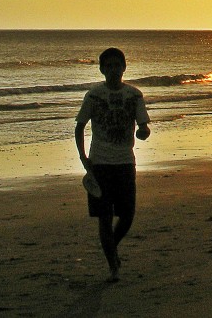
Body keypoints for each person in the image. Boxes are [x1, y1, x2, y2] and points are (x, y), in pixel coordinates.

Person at [75, 47, 151, 282]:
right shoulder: (94, 95)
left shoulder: (134, 95)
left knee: (127, 215)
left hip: (125, 163)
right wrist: (83, 158)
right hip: (99, 164)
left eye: (117, 65)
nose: (113, 70)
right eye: (108, 66)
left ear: (124, 67)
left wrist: (143, 132)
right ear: (101, 69)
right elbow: (79, 126)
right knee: (104, 217)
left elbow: (144, 126)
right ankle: (113, 267)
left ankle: (111, 247)